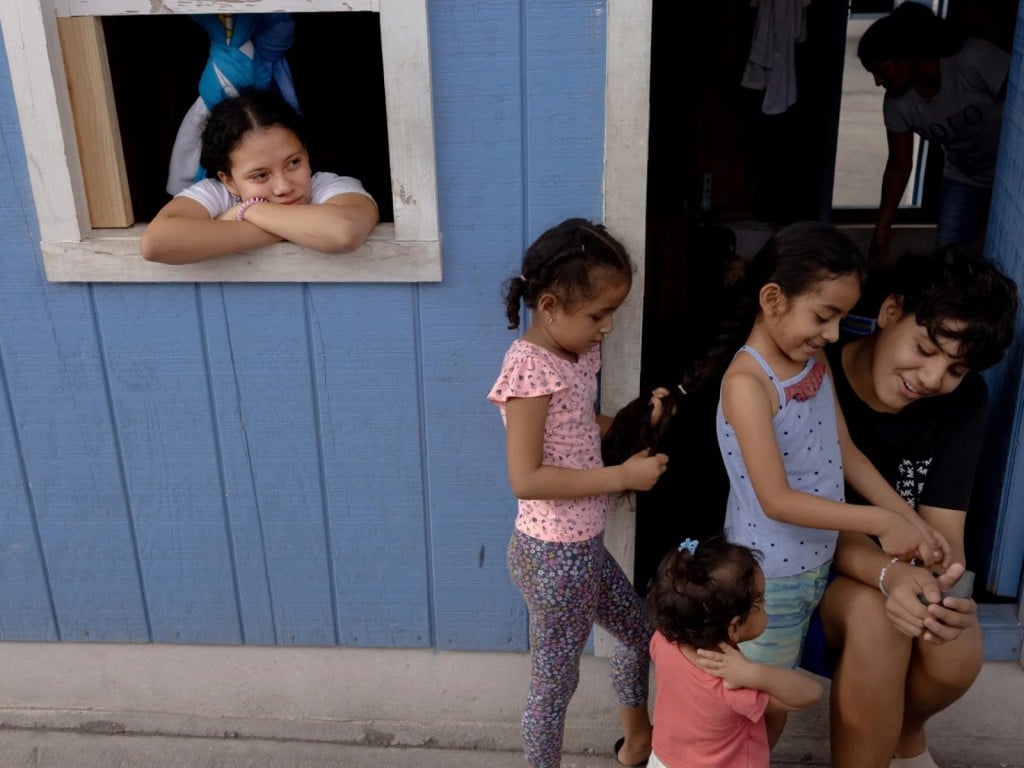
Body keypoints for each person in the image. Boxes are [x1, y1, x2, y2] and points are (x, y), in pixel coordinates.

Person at [714, 222, 949, 745]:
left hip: (814, 566)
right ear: (773, 299)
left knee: (775, 698)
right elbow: (775, 500)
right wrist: (879, 521)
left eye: (841, 317)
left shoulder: (810, 358)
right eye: (824, 316)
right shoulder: (748, 385)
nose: (835, 334)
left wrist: (912, 524)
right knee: (762, 706)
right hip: (769, 579)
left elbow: (848, 454)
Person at [814, 247, 1018, 768]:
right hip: (804, 570)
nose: (932, 378)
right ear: (889, 312)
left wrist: (933, 588)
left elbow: (942, 536)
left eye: (955, 368)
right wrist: (888, 576)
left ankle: (901, 734)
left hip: (893, 567)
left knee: (956, 646)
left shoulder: (962, 401)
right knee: (879, 621)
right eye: (925, 348)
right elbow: (802, 521)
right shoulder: (816, 375)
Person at [487, 218, 669, 768]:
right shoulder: (529, 370)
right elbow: (528, 477)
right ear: (549, 305)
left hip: (581, 550)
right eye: (598, 315)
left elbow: (579, 428)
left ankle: (638, 742)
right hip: (553, 560)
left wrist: (640, 419)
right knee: (554, 683)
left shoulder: (573, 355)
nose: (608, 328)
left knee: (641, 635)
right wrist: (621, 478)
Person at [141, 88, 378, 264]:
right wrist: (298, 229)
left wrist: (248, 211)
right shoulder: (215, 193)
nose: (283, 187)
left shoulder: (330, 186)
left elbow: (344, 233)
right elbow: (156, 243)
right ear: (228, 180)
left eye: (294, 162)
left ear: (306, 152)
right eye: (261, 175)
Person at [645, 536, 822, 768]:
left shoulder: (663, 642)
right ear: (735, 626)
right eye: (762, 600)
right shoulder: (732, 685)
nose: (766, 604)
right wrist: (753, 673)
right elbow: (811, 693)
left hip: (664, 760)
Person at [858, 3, 1010, 263]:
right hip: (964, 177)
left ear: (905, 56)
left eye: (882, 71)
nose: (878, 82)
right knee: (947, 261)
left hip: (1010, 176)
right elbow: (899, 164)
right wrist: (882, 227)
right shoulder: (898, 105)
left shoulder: (971, 59)